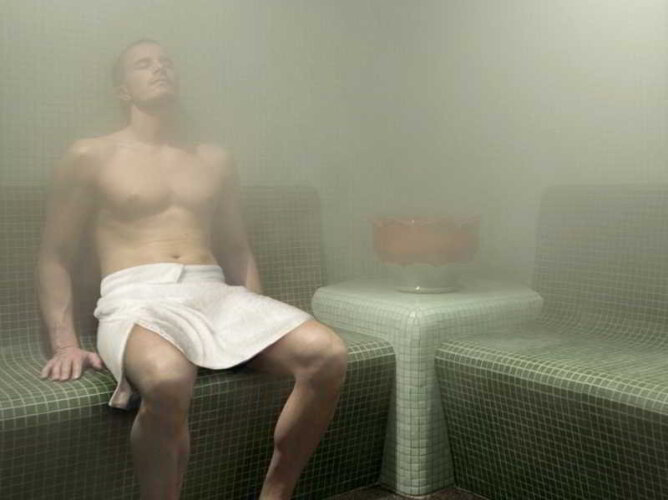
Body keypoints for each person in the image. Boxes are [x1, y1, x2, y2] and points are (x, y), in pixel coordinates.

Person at [35, 38, 348, 500]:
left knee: (328, 354)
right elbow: (54, 254)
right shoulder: (91, 156)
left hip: (214, 292)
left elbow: (236, 248)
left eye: (166, 62)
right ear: (123, 89)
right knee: (167, 378)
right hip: (136, 297)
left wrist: (254, 313)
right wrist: (65, 343)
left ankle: (276, 494)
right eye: (144, 64)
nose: (159, 68)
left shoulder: (213, 159)